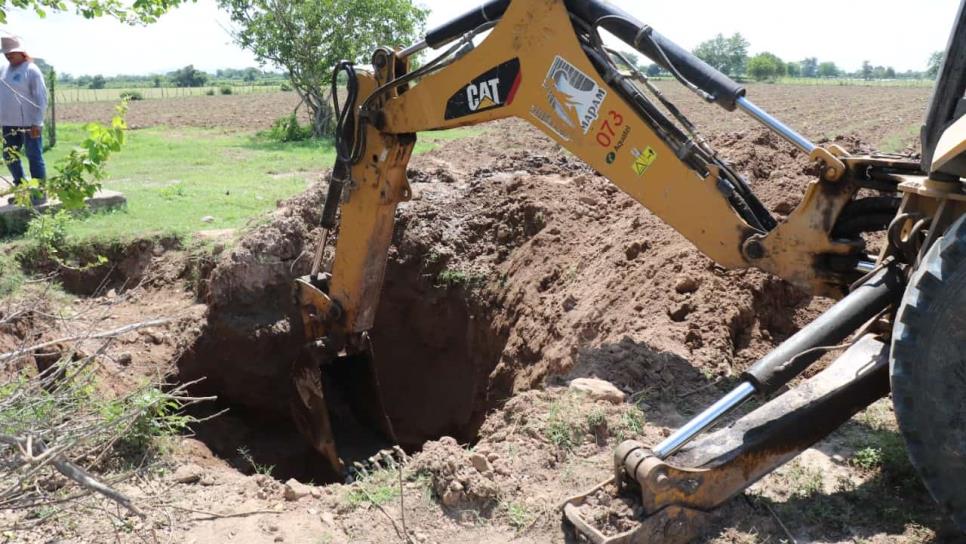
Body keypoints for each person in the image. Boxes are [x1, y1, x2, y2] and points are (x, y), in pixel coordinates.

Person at [0, 36, 47, 205]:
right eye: (6, 53)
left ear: (21, 52)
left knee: (34, 155)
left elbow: (41, 98)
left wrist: (37, 122)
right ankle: (21, 189)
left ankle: (39, 192)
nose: (8, 56)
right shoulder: (4, 69)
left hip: (29, 124)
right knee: (9, 156)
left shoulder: (31, 70)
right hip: (8, 124)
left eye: (11, 53)